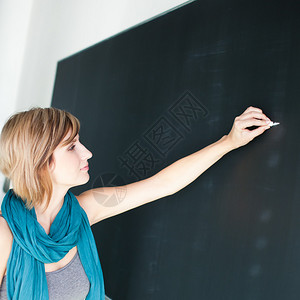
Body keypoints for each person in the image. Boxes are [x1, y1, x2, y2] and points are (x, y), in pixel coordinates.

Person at [0, 106, 271, 299]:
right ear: (40, 162)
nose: (87, 152)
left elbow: (162, 185)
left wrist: (229, 142)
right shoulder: (4, 235)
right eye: (71, 147)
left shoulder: (84, 210)